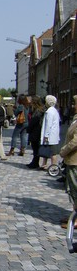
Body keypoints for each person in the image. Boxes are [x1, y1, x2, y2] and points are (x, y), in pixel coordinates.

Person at [59, 95, 77, 228]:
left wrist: (64, 150)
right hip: (72, 159)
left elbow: (75, 141)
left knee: (76, 189)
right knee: (73, 189)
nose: (73, 106)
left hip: (75, 159)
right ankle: (74, 215)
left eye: (75, 104)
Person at [39, 95, 61, 169]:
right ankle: (44, 164)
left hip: (50, 136)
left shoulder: (49, 112)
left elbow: (48, 125)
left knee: (52, 153)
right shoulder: (54, 110)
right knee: (47, 150)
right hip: (53, 135)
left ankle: (54, 166)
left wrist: (46, 136)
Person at [26, 95, 45, 169]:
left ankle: (35, 162)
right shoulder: (38, 110)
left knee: (35, 148)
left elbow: (34, 121)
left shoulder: (38, 111)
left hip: (36, 132)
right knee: (35, 148)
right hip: (35, 131)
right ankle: (34, 162)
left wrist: (29, 128)